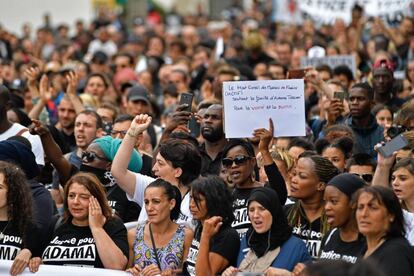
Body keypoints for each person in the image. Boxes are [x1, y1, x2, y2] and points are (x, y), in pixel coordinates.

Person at [111, 114, 201, 228]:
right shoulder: (149, 187)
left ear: (178, 171)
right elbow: (118, 171)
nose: (154, 169)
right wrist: (132, 132)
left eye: (160, 163)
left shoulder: (194, 203)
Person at [28, 172, 129, 270]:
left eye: (84, 197)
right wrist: (36, 260)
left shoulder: (112, 225)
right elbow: (36, 255)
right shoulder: (55, 223)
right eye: (71, 196)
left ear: (97, 200)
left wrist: (97, 228)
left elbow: (117, 266)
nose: (75, 202)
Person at [222, 187, 311, 276]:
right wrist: (229, 273)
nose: (255, 215)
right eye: (251, 210)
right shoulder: (247, 240)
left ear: (274, 211)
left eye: (262, 209)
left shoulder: (295, 246)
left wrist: (288, 274)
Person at [222, 119, 287, 238]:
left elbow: (281, 195)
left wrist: (264, 150)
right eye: (228, 162)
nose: (234, 165)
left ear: (252, 162)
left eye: (240, 159)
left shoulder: (265, 191)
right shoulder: (225, 197)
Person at [127, 179, 193, 275]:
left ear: (171, 204)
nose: (149, 208)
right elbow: (126, 269)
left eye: (156, 201)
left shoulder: (186, 235)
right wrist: (131, 271)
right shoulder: (133, 234)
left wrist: (173, 273)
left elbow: (190, 272)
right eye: (146, 202)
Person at [286, 154, 339, 259]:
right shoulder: (285, 213)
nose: (294, 180)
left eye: (302, 176)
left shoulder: (335, 218)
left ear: (320, 185)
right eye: (294, 174)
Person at [185, 176, 240, 276]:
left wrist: (205, 236)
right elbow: (191, 269)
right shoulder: (200, 227)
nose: (191, 204)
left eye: (198, 200)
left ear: (214, 201)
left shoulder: (228, 236)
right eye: (191, 198)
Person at [354, 186, 414, 276]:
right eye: (360, 207)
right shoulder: (365, 249)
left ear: (391, 215)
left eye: (373, 208)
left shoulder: (397, 254)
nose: (363, 214)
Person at [0, 161, 43, 276]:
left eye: (0, 187)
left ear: (13, 192)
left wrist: (31, 254)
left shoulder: (29, 228)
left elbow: (40, 264)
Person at [320, 173, 366, 263]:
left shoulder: (370, 242)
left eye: (334, 201)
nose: (327, 207)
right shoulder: (330, 236)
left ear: (354, 203)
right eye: (325, 201)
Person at [345, 82, 384, 158]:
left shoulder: (383, 133)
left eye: (360, 99)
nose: (355, 103)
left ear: (372, 103)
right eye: (351, 99)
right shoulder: (342, 132)